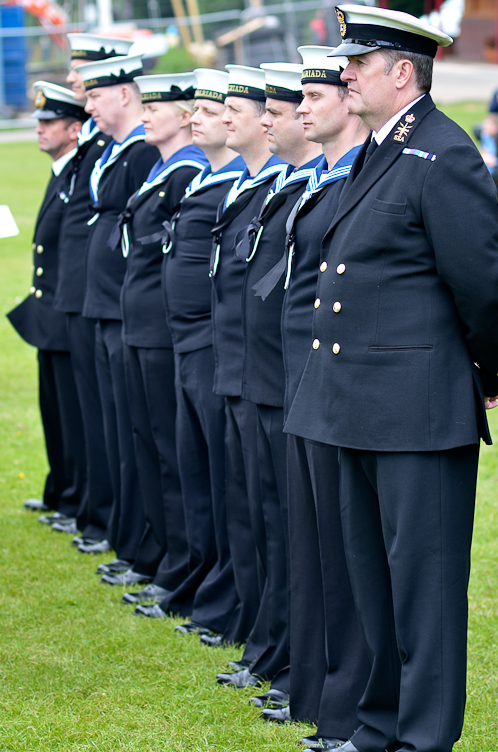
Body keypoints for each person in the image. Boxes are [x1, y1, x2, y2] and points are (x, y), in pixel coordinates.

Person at [285, 6, 498, 752]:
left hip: (418, 411)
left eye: (360, 61)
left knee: (423, 595)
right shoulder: (381, 151)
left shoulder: (444, 154)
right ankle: (378, 730)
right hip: (356, 409)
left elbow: (482, 284)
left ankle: (423, 740)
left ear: (402, 72)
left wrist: (487, 374)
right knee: (373, 590)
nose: (345, 71)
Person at [261, 46, 370, 750]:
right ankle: (317, 690)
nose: (300, 109)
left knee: (347, 552)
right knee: (315, 548)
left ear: (350, 100)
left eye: (314, 95)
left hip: (346, 387)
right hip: (302, 380)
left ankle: (350, 706)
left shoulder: (362, 177)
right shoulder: (326, 176)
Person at [216, 62, 322, 695]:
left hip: (292, 383)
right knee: (259, 516)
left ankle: (291, 659)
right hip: (257, 376)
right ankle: (270, 644)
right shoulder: (280, 185)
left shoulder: (317, 185)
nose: (272, 120)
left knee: (293, 531)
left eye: (278, 111)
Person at [133, 69, 245, 632]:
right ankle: (196, 581)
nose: (200, 117)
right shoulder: (213, 178)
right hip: (187, 342)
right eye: (196, 109)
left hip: (210, 345)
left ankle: (217, 594)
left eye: (209, 109)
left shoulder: (230, 181)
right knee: (194, 473)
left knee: (224, 484)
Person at [105, 72, 208, 612]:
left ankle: (178, 565)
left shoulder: (188, 171)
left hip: (164, 332)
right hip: (141, 324)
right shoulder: (167, 170)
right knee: (148, 444)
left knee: (172, 455)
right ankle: (160, 556)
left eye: (158, 106)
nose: (145, 114)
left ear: (187, 115)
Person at [200, 65, 287, 652]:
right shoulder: (252, 184)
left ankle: (280, 649)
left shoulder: (292, 185)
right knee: (248, 513)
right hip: (237, 370)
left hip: (274, 380)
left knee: (280, 526)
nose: (226, 116)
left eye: (239, 107)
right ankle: (258, 636)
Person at [75, 53, 159, 576]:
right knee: (116, 429)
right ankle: (124, 533)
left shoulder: (144, 154)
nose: (88, 105)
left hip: (129, 310)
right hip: (107, 304)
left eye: (95, 95)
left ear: (124, 94)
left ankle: (139, 541)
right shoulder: (114, 150)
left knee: (139, 434)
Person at [52, 33, 133, 553]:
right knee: (96, 415)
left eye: (88, 81)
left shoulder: (131, 150)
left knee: (121, 425)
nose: (77, 87)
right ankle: (95, 509)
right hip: (88, 295)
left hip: (114, 303)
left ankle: (107, 518)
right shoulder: (99, 145)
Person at [8, 82, 88, 529]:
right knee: (53, 409)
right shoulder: (62, 170)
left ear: (73, 129)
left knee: (71, 413)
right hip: (49, 313)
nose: (40, 129)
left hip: (64, 310)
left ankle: (75, 496)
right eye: (38, 121)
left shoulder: (78, 171)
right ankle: (60, 489)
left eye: (49, 122)